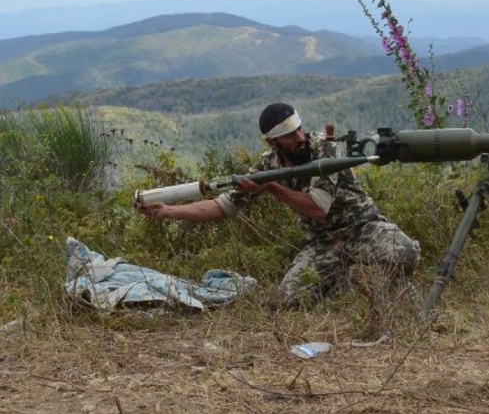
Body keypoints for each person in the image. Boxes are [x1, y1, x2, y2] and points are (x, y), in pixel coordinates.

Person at [138, 102, 421, 308]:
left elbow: (316, 208)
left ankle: (376, 287)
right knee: (290, 299)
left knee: (404, 252)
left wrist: (272, 187)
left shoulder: (326, 149)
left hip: (363, 228)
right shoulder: (267, 164)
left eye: (299, 130)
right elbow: (223, 207)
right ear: (273, 142)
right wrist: (168, 212)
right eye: (289, 136)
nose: (299, 139)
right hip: (324, 243)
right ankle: (346, 282)